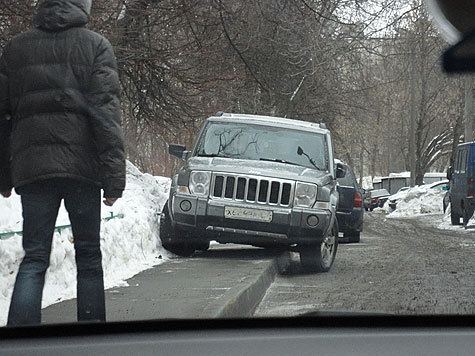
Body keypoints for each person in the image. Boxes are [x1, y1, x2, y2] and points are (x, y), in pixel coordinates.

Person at [0, 0, 125, 325]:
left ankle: (20, 344)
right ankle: (90, 339)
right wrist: (113, 180)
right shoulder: (96, 47)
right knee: (88, 257)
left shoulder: (16, 49)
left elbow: (2, 118)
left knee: (35, 257)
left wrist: (4, 174)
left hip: (34, 170)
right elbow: (106, 118)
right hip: (82, 171)